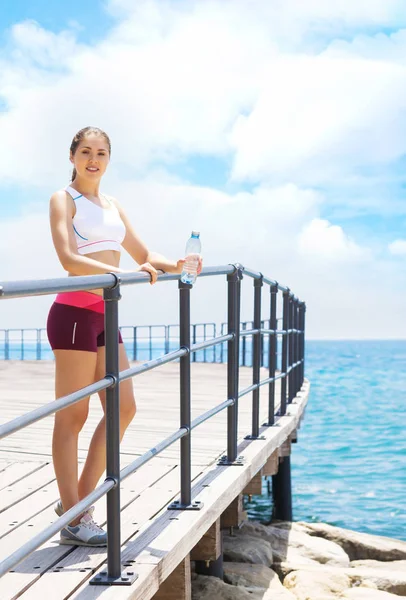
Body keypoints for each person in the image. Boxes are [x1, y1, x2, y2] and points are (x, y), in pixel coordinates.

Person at [47, 126, 202, 547]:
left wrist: (178, 265)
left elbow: (145, 256)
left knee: (123, 408)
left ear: (109, 159)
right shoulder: (64, 199)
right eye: (85, 152)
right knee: (73, 417)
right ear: (73, 155)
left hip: (105, 313)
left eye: (101, 153)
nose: (93, 159)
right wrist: (122, 275)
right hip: (74, 314)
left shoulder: (112, 204)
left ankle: (74, 503)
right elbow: (68, 259)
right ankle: (76, 518)